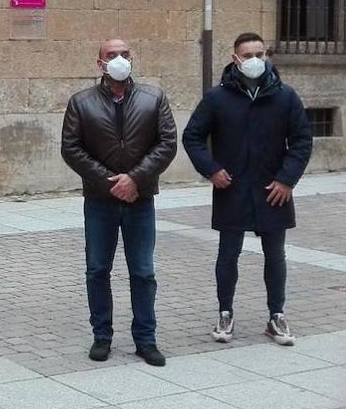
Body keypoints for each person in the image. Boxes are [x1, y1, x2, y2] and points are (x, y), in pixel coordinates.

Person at [182, 32, 313, 347]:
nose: (254, 59)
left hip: (273, 188)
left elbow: (301, 141)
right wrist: (211, 170)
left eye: (260, 53)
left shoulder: (285, 96)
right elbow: (193, 137)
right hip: (233, 188)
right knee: (228, 254)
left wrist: (287, 179)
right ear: (235, 59)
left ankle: (276, 316)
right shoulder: (217, 98)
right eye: (247, 54)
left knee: (275, 255)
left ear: (266, 55)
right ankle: (225, 312)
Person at [61, 38, 177, 366]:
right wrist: (110, 181)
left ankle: (146, 338)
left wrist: (135, 179)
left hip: (140, 200)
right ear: (99, 63)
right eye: (111, 55)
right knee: (98, 269)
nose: (119, 60)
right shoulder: (81, 102)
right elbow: (71, 148)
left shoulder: (154, 98)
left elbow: (167, 143)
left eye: (124, 54)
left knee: (143, 271)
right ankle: (102, 336)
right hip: (100, 200)